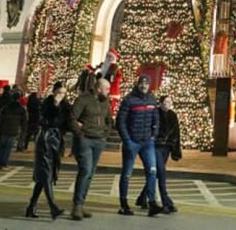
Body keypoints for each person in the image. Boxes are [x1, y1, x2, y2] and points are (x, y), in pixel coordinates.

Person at [116, 75, 161, 217]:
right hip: (132, 142)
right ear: (138, 84)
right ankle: (124, 204)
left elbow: (156, 118)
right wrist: (127, 140)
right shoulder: (129, 100)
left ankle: (152, 202)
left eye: (147, 83)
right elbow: (120, 122)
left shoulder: (152, 100)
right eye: (142, 83)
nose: (144, 85)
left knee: (152, 171)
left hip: (147, 142)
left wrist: (154, 134)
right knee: (127, 173)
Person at [69, 76, 113, 221]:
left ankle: (81, 204)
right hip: (86, 140)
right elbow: (72, 117)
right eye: (106, 89)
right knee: (85, 170)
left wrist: (106, 133)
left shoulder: (105, 101)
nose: (108, 91)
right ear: (99, 88)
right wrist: (80, 134)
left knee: (90, 173)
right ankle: (77, 205)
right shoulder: (83, 99)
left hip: (99, 140)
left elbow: (109, 120)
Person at [26, 82, 66, 220]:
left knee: (44, 177)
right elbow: (44, 119)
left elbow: (65, 121)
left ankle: (31, 206)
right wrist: (55, 105)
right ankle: (53, 207)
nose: (61, 95)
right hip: (45, 140)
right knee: (46, 174)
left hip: (56, 141)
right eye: (59, 92)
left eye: (64, 93)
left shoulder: (64, 106)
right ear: (54, 92)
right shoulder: (46, 104)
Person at [135, 95, 181, 213]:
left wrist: (176, 151)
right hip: (155, 146)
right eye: (165, 101)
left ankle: (142, 198)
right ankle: (166, 202)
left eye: (170, 101)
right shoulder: (155, 113)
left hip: (166, 148)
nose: (168, 103)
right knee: (161, 174)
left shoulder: (172, 115)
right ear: (160, 103)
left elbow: (176, 134)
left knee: (155, 174)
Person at [0, 90, 27, 169]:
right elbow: (24, 121)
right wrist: (23, 129)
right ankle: (4, 163)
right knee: (8, 147)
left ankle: (0, 162)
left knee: (2, 146)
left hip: (3, 129)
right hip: (13, 129)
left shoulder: (5, 107)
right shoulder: (21, 109)